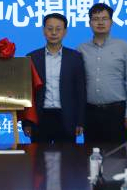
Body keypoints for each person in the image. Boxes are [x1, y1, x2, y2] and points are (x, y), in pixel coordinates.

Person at [79, 3, 127, 143]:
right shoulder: (81, 49)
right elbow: (78, 86)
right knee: (91, 154)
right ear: (89, 23)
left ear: (111, 22)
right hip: (90, 113)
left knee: (118, 154)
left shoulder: (124, 47)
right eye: (95, 19)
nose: (100, 22)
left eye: (104, 19)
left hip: (117, 112)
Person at [24, 13, 86, 143]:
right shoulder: (32, 57)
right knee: (38, 155)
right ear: (43, 31)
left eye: (58, 29)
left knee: (68, 155)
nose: (53, 33)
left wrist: (80, 121)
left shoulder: (75, 57)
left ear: (65, 32)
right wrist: (27, 122)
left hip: (67, 117)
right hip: (40, 117)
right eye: (50, 28)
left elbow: (80, 91)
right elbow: (27, 93)